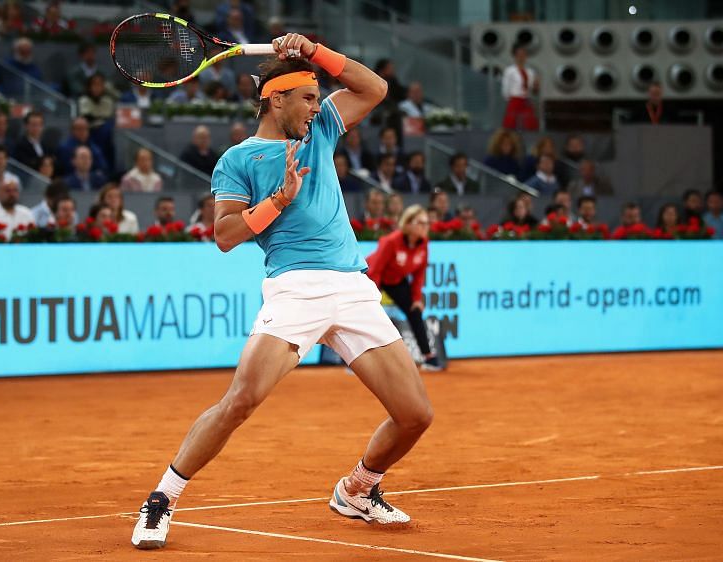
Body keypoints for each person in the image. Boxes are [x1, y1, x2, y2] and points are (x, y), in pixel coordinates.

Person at [131, 35, 433, 549]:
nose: (319, 106)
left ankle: (358, 489)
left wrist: (315, 51)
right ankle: (161, 500)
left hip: (352, 286)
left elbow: (375, 88)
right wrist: (277, 200)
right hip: (294, 289)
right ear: (277, 100)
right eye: (309, 98)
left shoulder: (322, 129)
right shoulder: (237, 159)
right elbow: (225, 236)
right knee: (241, 401)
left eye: (319, 98)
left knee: (415, 415)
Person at [366, 205, 440, 370]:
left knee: (415, 311)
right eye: (420, 222)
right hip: (372, 277)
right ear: (408, 224)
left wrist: (416, 299)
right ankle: (355, 362)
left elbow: (419, 274)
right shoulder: (391, 241)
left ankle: (429, 357)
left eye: (427, 223)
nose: (425, 227)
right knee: (366, 316)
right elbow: (376, 269)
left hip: (396, 280)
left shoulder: (423, 244)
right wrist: (372, 298)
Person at [501, 43, 539, 130]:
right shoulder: (509, 70)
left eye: (523, 54)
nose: (521, 57)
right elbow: (505, 90)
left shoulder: (530, 72)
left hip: (526, 100)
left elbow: (534, 92)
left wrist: (536, 87)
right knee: (511, 124)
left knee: (529, 124)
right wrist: (511, 99)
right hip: (515, 100)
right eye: (519, 54)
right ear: (515, 56)